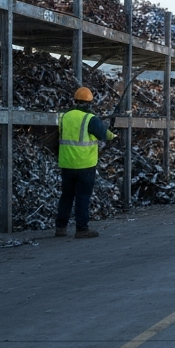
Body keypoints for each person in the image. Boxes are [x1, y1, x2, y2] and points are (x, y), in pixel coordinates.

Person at [55, 86, 116, 238]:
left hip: (67, 163)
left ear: (75, 101)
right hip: (84, 165)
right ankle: (82, 229)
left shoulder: (65, 116)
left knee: (66, 196)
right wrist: (113, 136)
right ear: (89, 103)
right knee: (82, 196)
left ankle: (60, 228)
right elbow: (103, 135)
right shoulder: (90, 119)